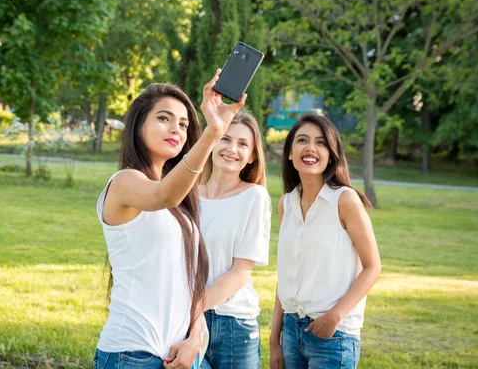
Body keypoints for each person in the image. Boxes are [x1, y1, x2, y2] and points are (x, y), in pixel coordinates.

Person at [94, 70, 246, 369]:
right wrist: (213, 133)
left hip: (182, 353)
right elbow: (164, 195)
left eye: (184, 123)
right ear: (139, 125)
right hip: (132, 355)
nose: (176, 128)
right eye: (164, 118)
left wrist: (194, 338)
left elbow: (184, 281)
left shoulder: (181, 202)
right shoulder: (125, 182)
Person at [269, 113, 381, 369]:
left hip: (333, 335)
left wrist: (335, 317)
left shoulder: (345, 200)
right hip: (290, 331)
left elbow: (373, 267)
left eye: (320, 142)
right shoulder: (286, 204)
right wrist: (275, 340)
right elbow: (285, 276)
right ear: (289, 152)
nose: (310, 148)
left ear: (331, 154)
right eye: (302, 140)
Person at [198, 111, 271, 369]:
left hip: (233, 324)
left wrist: (191, 310)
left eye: (242, 144)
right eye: (225, 139)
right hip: (185, 319)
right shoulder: (189, 193)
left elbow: (240, 273)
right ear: (213, 142)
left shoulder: (254, 197)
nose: (232, 149)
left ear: (251, 156)